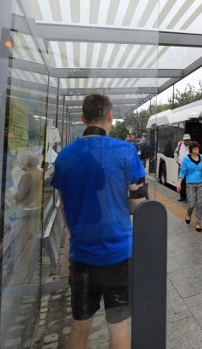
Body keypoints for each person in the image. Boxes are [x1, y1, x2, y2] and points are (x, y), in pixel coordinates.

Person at [51, 93, 147, 349]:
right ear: (110, 117)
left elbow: (65, 206)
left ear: (83, 118)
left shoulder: (64, 157)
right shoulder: (126, 151)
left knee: (80, 327)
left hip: (81, 255)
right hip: (118, 255)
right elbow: (139, 206)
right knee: (118, 328)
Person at [176, 141, 202, 232]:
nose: (196, 149)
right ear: (191, 149)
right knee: (191, 204)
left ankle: (198, 223)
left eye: (197, 147)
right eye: (194, 148)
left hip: (200, 184)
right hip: (190, 184)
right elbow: (182, 172)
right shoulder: (186, 159)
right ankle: (188, 214)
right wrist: (179, 183)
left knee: (199, 204)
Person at [174, 133, 191, 201]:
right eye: (185, 140)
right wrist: (176, 161)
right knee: (181, 181)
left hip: (189, 167)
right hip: (181, 165)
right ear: (183, 140)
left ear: (190, 140)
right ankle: (182, 196)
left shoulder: (192, 145)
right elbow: (176, 153)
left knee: (188, 182)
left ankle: (188, 197)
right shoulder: (180, 144)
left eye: (188, 140)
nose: (187, 141)